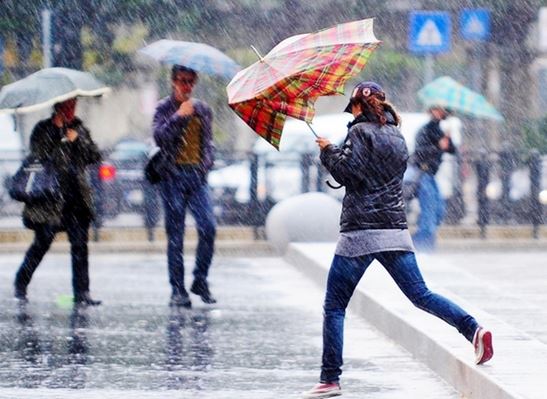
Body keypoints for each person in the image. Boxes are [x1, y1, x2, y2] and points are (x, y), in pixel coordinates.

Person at [302, 82, 493, 399]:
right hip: (394, 229)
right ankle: (473, 328)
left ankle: (330, 379)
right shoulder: (396, 134)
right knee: (421, 294)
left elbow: (351, 174)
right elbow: (373, 173)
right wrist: (337, 153)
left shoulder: (360, 132)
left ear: (358, 106)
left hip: (360, 232)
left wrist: (328, 151)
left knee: (335, 306)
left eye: (353, 108)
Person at [14, 98, 102, 306]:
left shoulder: (79, 128)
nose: (71, 110)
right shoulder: (43, 129)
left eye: (74, 105)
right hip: (50, 199)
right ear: (58, 106)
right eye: (68, 106)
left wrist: (77, 139)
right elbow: (40, 156)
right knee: (42, 243)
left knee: (80, 246)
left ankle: (82, 292)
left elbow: (94, 156)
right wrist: (58, 136)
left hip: (76, 197)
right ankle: (21, 281)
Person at [153, 64, 217, 308]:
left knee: (208, 227)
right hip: (172, 177)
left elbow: (208, 143)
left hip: (196, 177)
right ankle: (177, 290)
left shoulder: (203, 110)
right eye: (182, 81)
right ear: (173, 82)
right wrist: (179, 116)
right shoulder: (164, 108)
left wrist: (205, 164)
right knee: (176, 237)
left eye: (190, 81)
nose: (186, 86)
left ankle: (200, 279)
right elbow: (159, 137)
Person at [411, 105, 456, 251]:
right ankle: (423, 244)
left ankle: (421, 240)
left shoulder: (439, 130)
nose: (439, 113)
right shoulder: (426, 130)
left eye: (442, 110)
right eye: (436, 109)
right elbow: (420, 152)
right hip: (423, 173)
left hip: (431, 175)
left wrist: (447, 140)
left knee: (438, 210)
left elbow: (451, 150)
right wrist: (438, 146)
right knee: (429, 211)